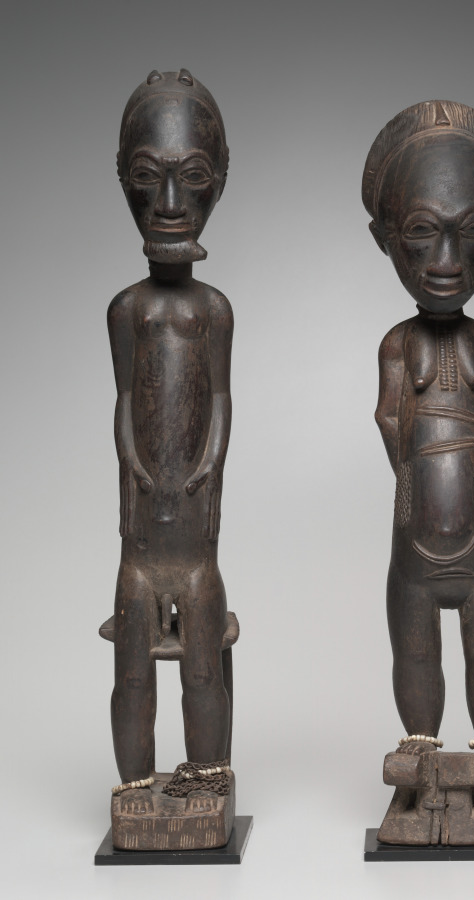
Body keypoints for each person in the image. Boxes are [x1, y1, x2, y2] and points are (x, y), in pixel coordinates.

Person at [363, 101, 474, 761]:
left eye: (472, 230)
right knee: (414, 649)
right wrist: (418, 476)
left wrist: (472, 475)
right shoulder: (397, 344)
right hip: (414, 540)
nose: (447, 261)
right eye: (423, 231)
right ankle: (420, 744)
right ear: (387, 237)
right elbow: (388, 416)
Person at [108, 70, 233, 811]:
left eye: (192, 177)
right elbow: (125, 399)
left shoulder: (213, 309)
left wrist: (209, 465)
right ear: (123, 181)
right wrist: (131, 461)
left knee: (203, 667)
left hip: (194, 538)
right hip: (141, 538)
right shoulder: (126, 309)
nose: (170, 202)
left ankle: (208, 779)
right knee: (130, 671)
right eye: (147, 176)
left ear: (218, 183)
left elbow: (219, 399)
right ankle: (134, 789)